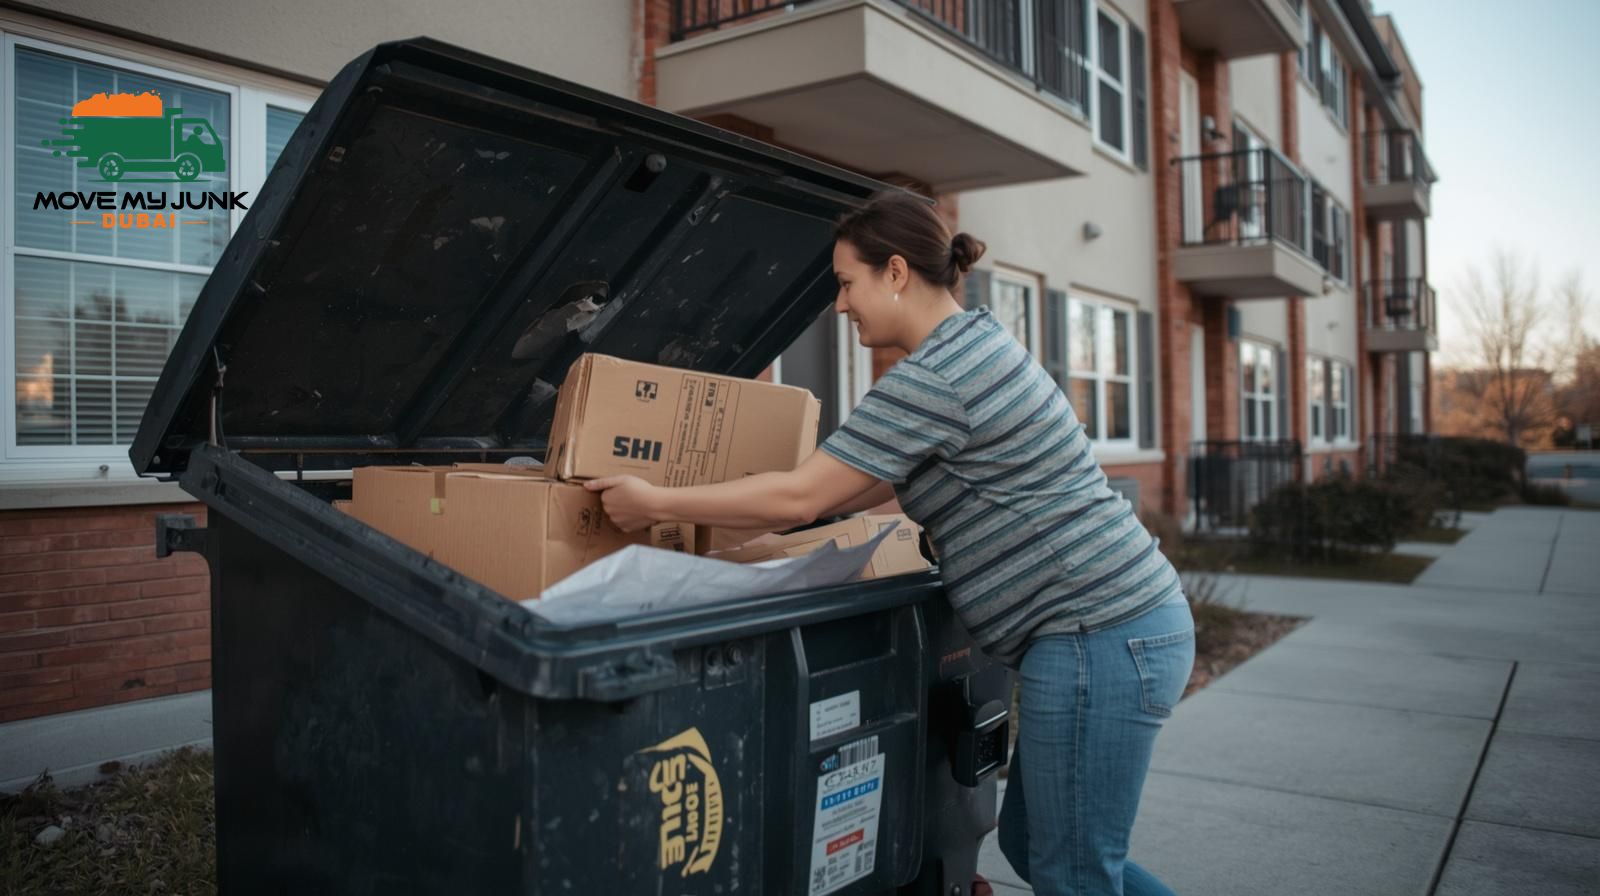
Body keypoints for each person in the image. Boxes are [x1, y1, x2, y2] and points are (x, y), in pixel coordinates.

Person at [586, 190, 1194, 896]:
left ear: (896, 272)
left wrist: (655, 501)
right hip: (1116, 632)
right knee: (1036, 848)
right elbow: (864, 485)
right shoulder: (975, 346)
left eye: (847, 284)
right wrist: (782, 519)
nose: (840, 306)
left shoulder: (937, 377)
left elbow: (804, 494)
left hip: (1101, 636)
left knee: (1076, 873)